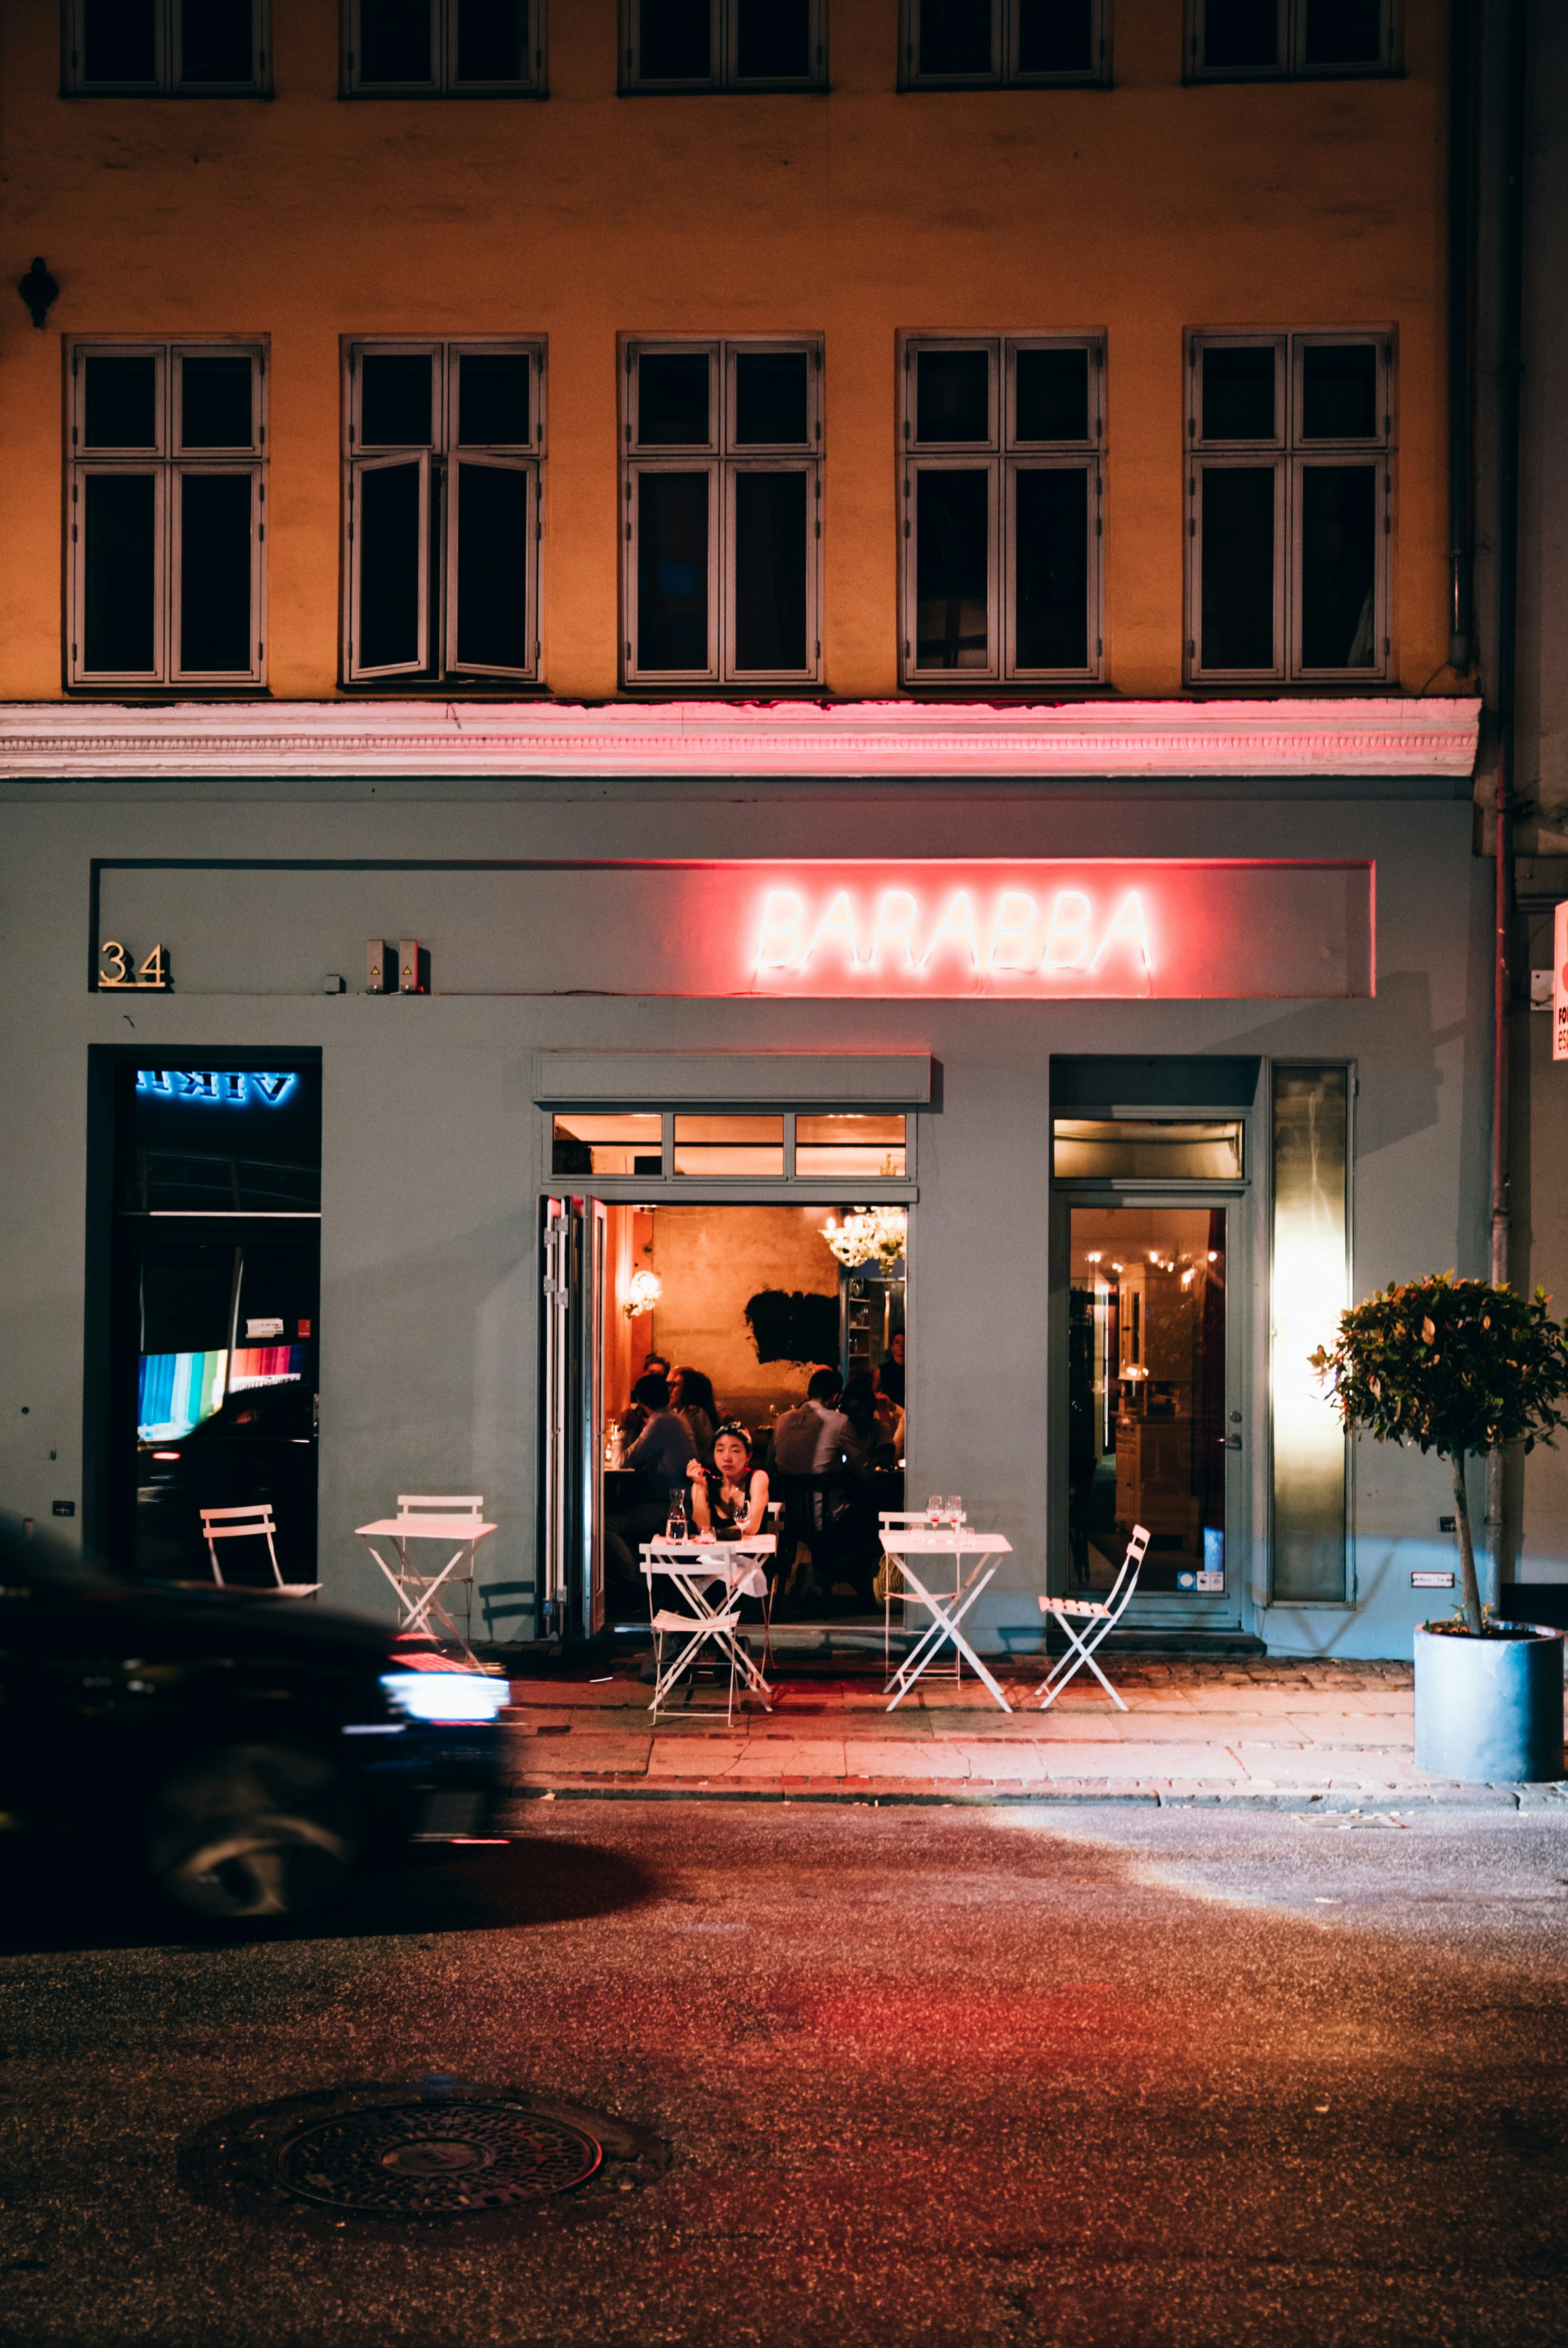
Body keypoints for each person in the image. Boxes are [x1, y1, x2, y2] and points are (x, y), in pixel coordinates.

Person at [687, 1420, 770, 1540]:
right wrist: (699, 1486)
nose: (727, 1458)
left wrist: (715, 1535)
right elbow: (702, 1528)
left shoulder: (758, 1478)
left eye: (735, 1451)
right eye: (720, 1450)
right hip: (714, 1556)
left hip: (751, 1555)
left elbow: (752, 1528)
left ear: (748, 1456)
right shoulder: (704, 1482)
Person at [671, 1364, 718, 1468]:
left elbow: (675, 1452)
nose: (670, 1390)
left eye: (675, 1385)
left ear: (688, 1390)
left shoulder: (692, 1413)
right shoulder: (694, 1411)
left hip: (697, 1474)